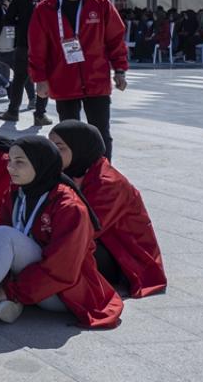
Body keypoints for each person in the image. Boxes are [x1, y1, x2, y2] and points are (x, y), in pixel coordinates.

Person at [0, 136, 123, 331]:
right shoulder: (18, 191)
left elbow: (62, 270)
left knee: (4, 235)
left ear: (40, 163)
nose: (10, 167)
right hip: (27, 275)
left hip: (61, 291)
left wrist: (10, 289)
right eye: (10, 161)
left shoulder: (69, 206)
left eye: (19, 162)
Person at [51, 120, 166, 298]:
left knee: (59, 254)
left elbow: (87, 229)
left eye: (59, 147)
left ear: (79, 148)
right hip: (100, 242)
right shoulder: (71, 172)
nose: (52, 153)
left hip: (124, 258)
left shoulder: (108, 183)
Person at [28, 0, 128, 158]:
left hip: (96, 78)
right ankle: (74, 176)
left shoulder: (100, 5)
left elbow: (115, 39)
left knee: (101, 133)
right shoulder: (45, 10)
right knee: (69, 135)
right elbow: (37, 48)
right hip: (63, 79)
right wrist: (40, 79)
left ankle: (103, 176)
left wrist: (119, 69)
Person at [1, 0, 53, 125]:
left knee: (19, 79)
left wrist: (22, 24)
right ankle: (40, 114)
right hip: (45, 46)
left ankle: (13, 111)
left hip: (24, 43)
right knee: (42, 79)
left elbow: (7, 20)